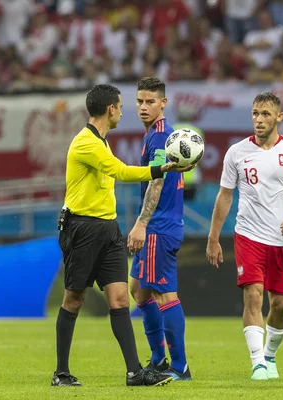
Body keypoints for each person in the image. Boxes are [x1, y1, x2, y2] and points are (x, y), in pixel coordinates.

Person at [53, 84, 192, 387]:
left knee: (120, 299)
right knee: (74, 299)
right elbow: (120, 171)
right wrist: (159, 170)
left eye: (147, 101)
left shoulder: (103, 141)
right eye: (123, 104)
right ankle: (61, 373)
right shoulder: (86, 143)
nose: (128, 109)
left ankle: (135, 372)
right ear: (110, 109)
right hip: (83, 228)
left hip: (108, 228)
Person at [206, 92, 283, 380]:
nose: (259, 119)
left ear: (279, 117)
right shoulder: (236, 153)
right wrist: (213, 237)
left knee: (280, 304)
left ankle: (270, 355)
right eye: (255, 113)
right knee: (252, 296)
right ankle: (257, 364)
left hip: (282, 240)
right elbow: (225, 197)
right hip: (248, 235)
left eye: (266, 114)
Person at [127, 77, 192, 381]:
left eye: (150, 101)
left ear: (163, 103)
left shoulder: (159, 137)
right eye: (140, 101)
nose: (143, 106)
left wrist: (141, 224)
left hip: (157, 227)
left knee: (165, 295)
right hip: (161, 224)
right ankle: (157, 359)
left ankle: (179, 366)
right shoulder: (159, 135)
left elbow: (157, 180)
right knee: (138, 291)